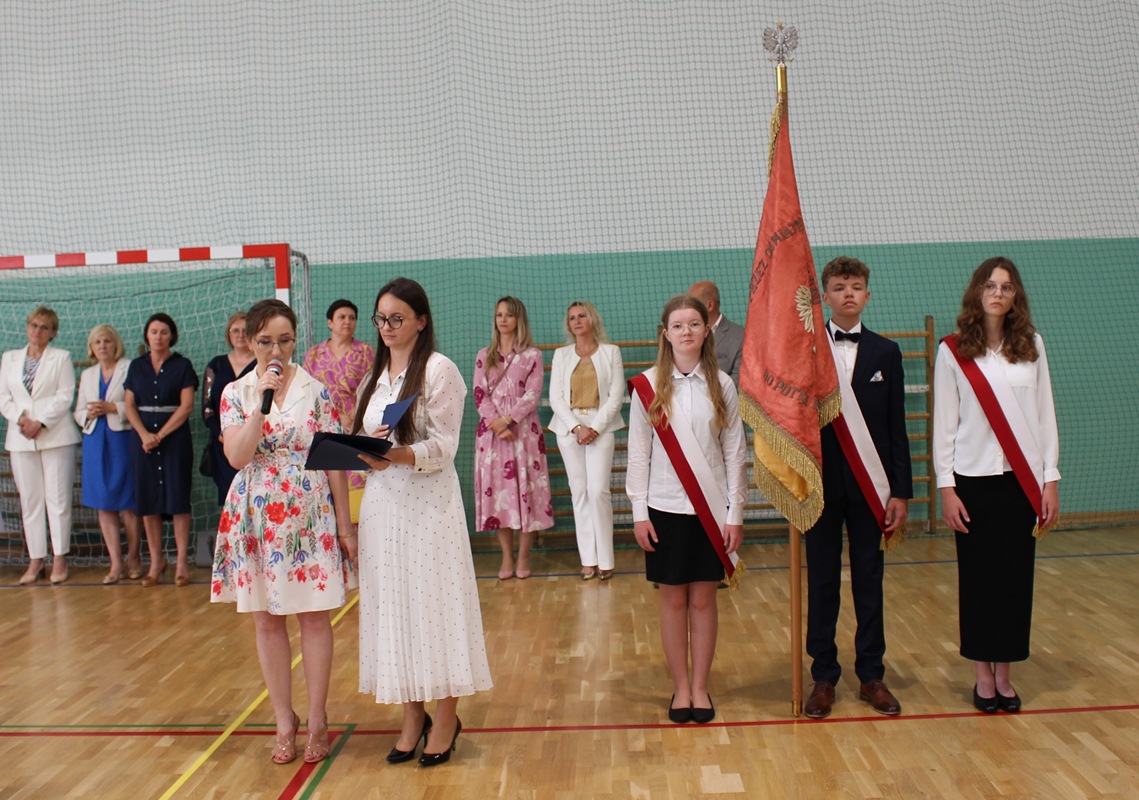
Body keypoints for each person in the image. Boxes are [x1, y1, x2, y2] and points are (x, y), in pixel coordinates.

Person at [352, 277, 492, 766]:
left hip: (429, 508)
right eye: (381, 318)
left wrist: (398, 454)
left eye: (397, 318)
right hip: (382, 508)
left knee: (437, 608)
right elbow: (364, 438)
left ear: (421, 321)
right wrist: (364, 453)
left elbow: (445, 447)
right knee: (394, 610)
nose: (387, 326)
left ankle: (447, 718)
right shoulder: (373, 378)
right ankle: (413, 716)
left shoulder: (439, 370)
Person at [211, 298, 355, 765]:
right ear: (250, 341)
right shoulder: (235, 392)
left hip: (309, 513)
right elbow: (237, 457)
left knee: (314, 617)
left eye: (285, 340)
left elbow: (334, 461)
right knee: (266, 620)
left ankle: (316, 719)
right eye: (266, 341)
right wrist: (261, 405)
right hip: (256, 514)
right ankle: (283, 721)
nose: (276, 350)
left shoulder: (318, 391)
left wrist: (345, 525)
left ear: (296, 340)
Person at [934, 256, 1060, 714]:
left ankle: (1004, 674)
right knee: (978, 580)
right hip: (972, 482)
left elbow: (1045, 415)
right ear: (977, 292)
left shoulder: (1033, 346)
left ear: (1015, 296)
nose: (998, 293)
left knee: (1014, 581)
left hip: (1021, 484)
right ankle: (982, 675)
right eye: (990, 285)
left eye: (1006, 287)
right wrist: (946, 487)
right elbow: (945, 423)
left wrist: (1050, 478)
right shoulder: (953, 351)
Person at [626, 295, 746, 724]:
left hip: (711, 511)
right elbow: (638, 453)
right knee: (673, 601)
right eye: (678, 325)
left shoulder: (723, 385)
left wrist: (735, 513)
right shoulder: (647, 386)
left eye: (694, 323)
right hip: (664, 508)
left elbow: (735, 453)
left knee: (704, 601)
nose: (686, 332)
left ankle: (700, 686)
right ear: (666, 334)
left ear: (706, 330)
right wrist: (639, 512)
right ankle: (680, 688)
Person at [803, 257, 912, 719]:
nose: (848, 293)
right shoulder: (807, 351)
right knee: (822, 580)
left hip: (872, 487)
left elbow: (896, 427)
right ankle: (823, 676)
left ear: (868, 294)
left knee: (870, 579)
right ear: (825, 296)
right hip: (820, 486)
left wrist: (900, 491)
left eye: (856, 286)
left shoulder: (887, 352)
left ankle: (871, 674)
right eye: (839, 286)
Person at [473, 296, 554, 580]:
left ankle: (523, 555)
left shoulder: (533, 355)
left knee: (527, 492)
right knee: (498, 495)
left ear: (519, 319)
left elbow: (533, 393)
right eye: (499, 315)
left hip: (524, 433)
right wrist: (497, 424)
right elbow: (479, 393)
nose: (503, 319)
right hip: (492, 436)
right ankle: (506, 556)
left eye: (509, 314)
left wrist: (508, 420)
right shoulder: (484, 355)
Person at [0, 307, 82, 585]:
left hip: (56, 436)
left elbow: (65, 396)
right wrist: (22, 420)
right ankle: (36, 560)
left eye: (44, 327)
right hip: (21, 437)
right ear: (27, 327)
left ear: (53, 332)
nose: (37, 331)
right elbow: (3, 397)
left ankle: (59, 558)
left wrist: (41, 423)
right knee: (30, 500)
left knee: (58, 500)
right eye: (33, 325)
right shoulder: (9, 358)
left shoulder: (61, 357)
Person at [548, 301, 625, 580]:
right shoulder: (561, 355)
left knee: (598, 491)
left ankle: (606, 560)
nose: (577, 321)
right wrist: (577, 427)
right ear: (568, 325)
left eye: (582, 316)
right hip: (569, 429)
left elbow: (615, 397)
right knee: (579, 492)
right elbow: (556, 397)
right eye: (572, 318)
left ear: (593, 319)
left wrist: (594, 428)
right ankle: (588, 560)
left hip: (600, 428)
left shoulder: (611, 352)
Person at [123, 313, 198, 587]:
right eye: (154, 331)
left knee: (178, 498)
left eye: (164, 332)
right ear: (147, 335)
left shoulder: (182, 365)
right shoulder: (136, 366)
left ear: (171, 336)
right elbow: (129, 404)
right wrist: (145, 435)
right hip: (142, 441)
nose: (158, 336)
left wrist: (161, 435)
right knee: (147, 500)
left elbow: (186, 406)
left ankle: (181, 562)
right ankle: (156, 561)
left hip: (175, 441)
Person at [74, 324, 143, 584]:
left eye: (107, 341)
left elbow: (137, 403)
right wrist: (88, 413)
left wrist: (113, 408)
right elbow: (78, 410)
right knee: (103, 504)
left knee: (128, 503)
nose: (102, 346)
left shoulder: (129, 367)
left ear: (116, 344)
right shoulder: (88, 374)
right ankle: (116, 563)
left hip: (121, 439)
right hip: (95, 440)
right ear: (91, 348)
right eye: (97, 342)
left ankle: (134, 558)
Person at [302, 299, 375, 522]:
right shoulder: (314, 354)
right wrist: (334, 416)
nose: (347, 321)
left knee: (357, 479)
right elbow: (306, 391)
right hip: (323, 427)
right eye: (342, 317)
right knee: (326, 481)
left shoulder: (365, 352)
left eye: (352, 318)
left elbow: (373, 388)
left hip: (357, 426)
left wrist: (355, 415)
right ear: (330, 322)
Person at [202, 311, 256, 505]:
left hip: (254, 443)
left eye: (245, 330)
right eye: (235, 330)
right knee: (229, 499)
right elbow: (207, 408)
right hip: (222, 445)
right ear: (228, 334)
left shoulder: (261, 365)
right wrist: (222, 435)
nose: (240, 335)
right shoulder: (216, 365)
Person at [688, 281, 745, 385]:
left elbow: (738, 381)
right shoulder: (683, 334)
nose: (687, 309)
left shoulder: (740, 337)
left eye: (692, 304)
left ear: (709, 305)